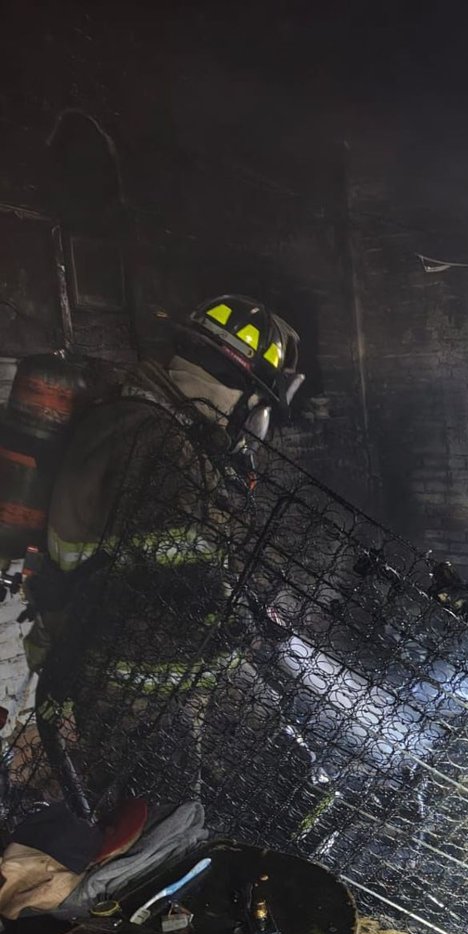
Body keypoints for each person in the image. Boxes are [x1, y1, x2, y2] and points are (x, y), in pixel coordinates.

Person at [26, 294, 305, 813]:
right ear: (243, 397)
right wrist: (238, 623)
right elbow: (181, 573)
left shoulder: (135, 416)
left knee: (256, 769)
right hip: (133, 671)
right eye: (262, 409)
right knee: (164, 814)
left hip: (121, 653)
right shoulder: (164, 444)